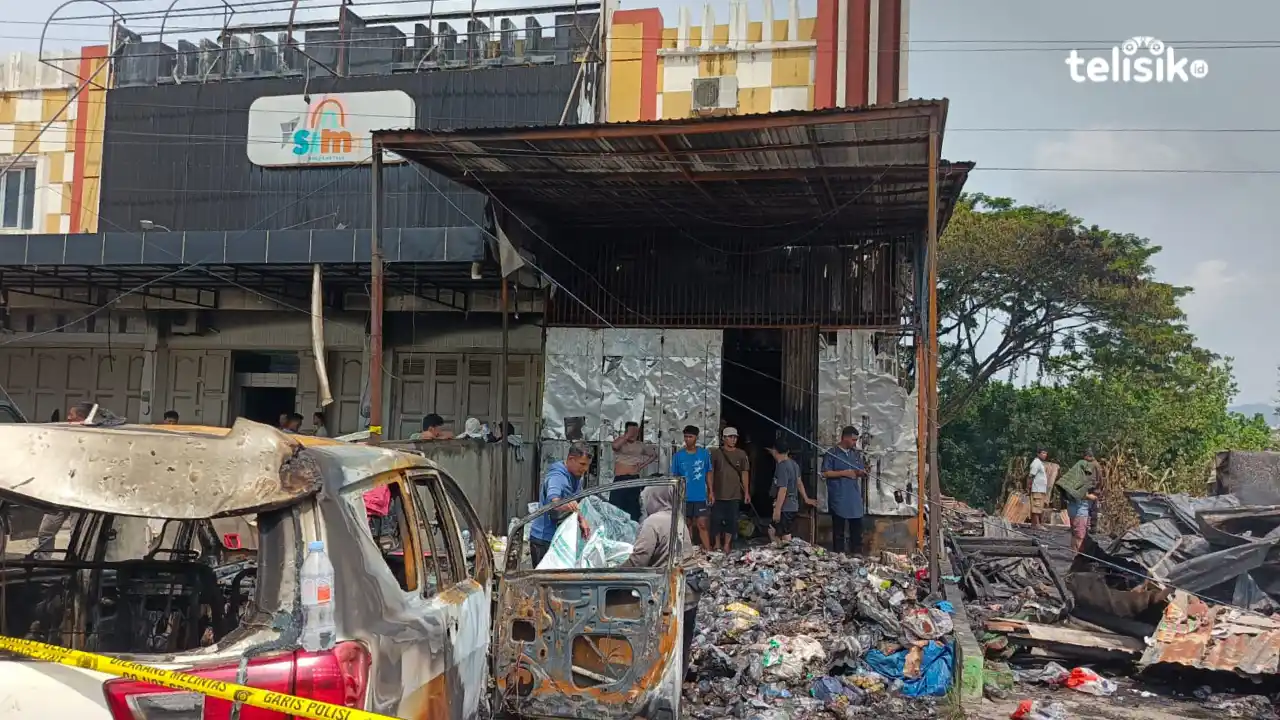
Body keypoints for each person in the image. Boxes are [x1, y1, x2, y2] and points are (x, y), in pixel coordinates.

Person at [623, 483, 699, 679]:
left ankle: (659, 686)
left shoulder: (653, 522)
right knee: (681, 642)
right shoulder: (677, 519)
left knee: (659, 643)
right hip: (689, 588)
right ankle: (677, 683)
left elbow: (639, 558)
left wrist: (615, 571)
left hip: (669, 592)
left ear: (653, 499)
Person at [529, 443, 591, 567]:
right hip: (544, 539)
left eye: (587, 465)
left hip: (559, 537)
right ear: (571, 459)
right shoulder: (557, 477)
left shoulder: (577, 476)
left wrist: (581, 519)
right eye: (582, 464)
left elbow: (574, 503)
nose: (585, 469)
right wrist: (567, 505)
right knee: (544, 582)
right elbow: (554, 503)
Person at [821, 425, 867, 555]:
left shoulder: (855, 455)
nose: (855, 443)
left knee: (856, 530)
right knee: (839, 531)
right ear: (845, 438)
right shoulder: (832, 453)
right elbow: (825, 473)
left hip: (854, 497)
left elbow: (859, 470)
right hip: (839, 497)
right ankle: (838, 556)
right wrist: (844, 473)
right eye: (853, 440)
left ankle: (857, 555)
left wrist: (861, 472)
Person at [670, 425, 713, 550]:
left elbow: (708, 472)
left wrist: (711, 491)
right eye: (686, 437)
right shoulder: (678, 456)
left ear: (696, 438)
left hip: (700, 495)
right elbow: (675, 476)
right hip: (684, 496)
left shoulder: (704, 454)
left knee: (702, 524)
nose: (688, 439)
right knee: (686, 524)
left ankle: (708, 551)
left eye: (690, 437)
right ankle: (688, 552)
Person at [709, 427, 750, 553]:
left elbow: (744, 473)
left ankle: (727, 544)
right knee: (716, 520)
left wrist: (747, 492)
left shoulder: (741, 454)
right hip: (718, 493)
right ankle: (717, 544)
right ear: (724, 438)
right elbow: (711, 472)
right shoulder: (716, 453)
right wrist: (710, 491)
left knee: (731, 521)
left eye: (735, 437)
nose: (733, 439)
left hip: (734, 494)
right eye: (730, 437)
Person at [768, 437, 814, 543]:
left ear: (774, 450)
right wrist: (806, 498)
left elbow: (783, 489)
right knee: (774, 530)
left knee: (783, 534)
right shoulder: (794, 464)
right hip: (792, 506)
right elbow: (799, 482)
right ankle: (782, 553)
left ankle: (788, 554)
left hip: (785, 507)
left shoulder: (782, 467)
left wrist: (777, 510)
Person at [611, 421, 658, 522]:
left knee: (633, 508)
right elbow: (615, 446)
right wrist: (627, 436)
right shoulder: (621, 442)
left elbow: (653, 455)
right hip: (620, 479)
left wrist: (642, 465)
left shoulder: (640, 445)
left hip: (633, 478)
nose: (634, 434)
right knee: (616, 507)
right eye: (632, 431)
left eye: (636, 431)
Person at [1057, 449, 1099, 553]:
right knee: (1080, 535)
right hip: (1080, 507)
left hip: (1072, 506)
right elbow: (1082, 494)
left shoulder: (1073, 474)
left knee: (1074, 533)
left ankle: (1073, 555)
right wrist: (1092, 497)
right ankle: (1079, 559)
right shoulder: (1083, 475)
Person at [1028, 448, 1049, 529]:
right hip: (1037, 488)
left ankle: (1034, 524)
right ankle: (1037, 524)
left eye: (1046, 453)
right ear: (1038, 454)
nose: (1045, 455)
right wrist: (1029, 487)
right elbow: (1031, 476)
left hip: (1040, 489)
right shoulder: (1036, 462)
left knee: (1038, 506)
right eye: (1043, 453)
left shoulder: (1040, 463)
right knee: (1036, 506)